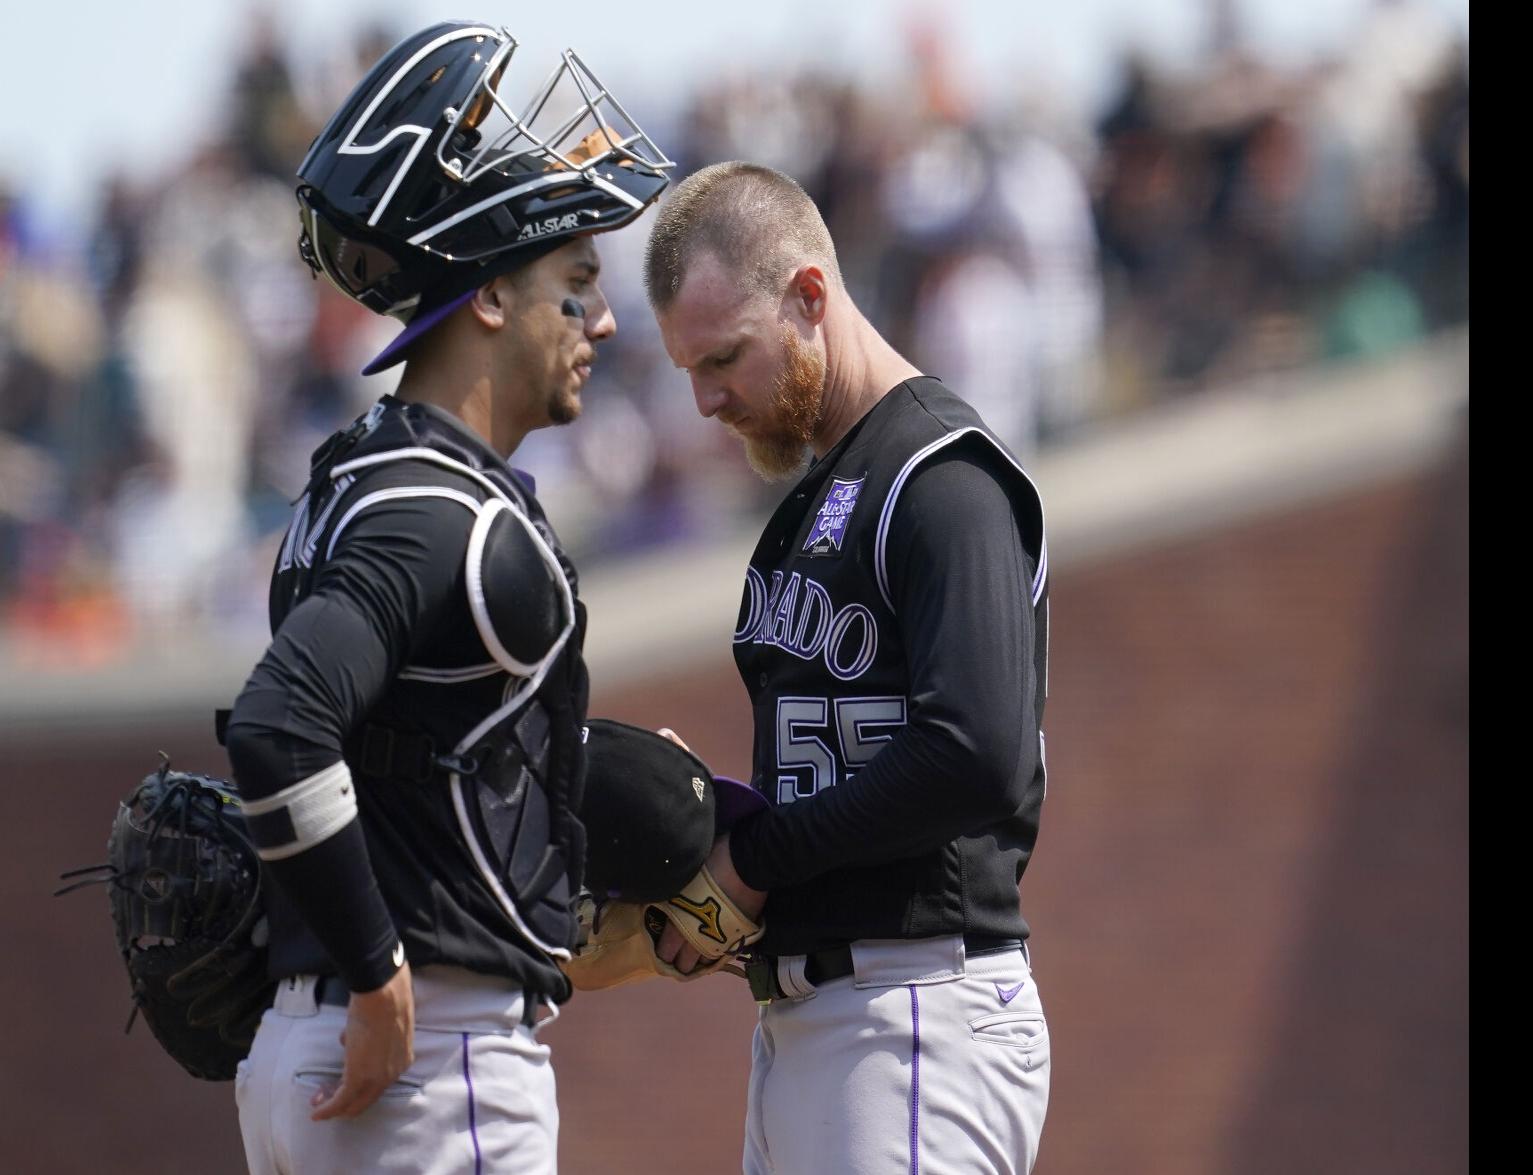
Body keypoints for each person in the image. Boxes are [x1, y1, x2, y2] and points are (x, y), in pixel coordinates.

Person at [222, 23, 671, 1174]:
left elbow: (413, 744)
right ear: (484, 298)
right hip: (428, 1062)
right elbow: (280, 723)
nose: (603, 321)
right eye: (574, 285)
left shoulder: (357, 478)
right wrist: (376, 974)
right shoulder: (443, 512)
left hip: (332, 1054)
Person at [644, 162, 1052, 1174]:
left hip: (918, 1013)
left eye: (724, 356)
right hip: (820, 1021)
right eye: (688, 368)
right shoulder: (808, 505)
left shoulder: (941, 476)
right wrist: (702, 827)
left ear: (809, 296)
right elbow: (831, 779)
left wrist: (756, 858)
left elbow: (975, 755)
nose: (703, 399)